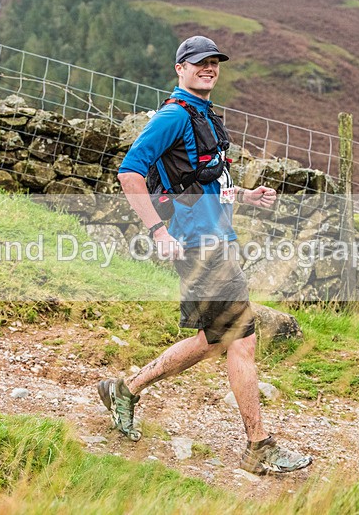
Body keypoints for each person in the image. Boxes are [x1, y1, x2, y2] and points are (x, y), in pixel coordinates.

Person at [98, 35, 312, 475]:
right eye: (199, 63)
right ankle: (259, 447)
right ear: (180, 68)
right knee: (243, 340)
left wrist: (245, 195)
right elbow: (129, 173)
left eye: (214, 62)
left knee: (211, 340)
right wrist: (157, 230)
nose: (209, 68)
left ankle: (126, 389)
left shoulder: (204, 115)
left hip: (218, 240)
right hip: (198, 247)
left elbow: (201, 181)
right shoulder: (172, 117)